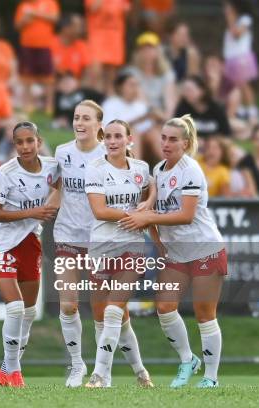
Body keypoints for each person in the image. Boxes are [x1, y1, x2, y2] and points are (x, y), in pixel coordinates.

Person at [120, 114, 227, 388]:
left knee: (205, 314)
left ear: (186, 142)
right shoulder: (158, 170)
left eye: (172, 139)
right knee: (165, 307)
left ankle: (211, 378)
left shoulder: (190, 169)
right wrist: (157, 241)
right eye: (163, 137)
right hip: (176, 252)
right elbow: (153, 208)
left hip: (204, 248)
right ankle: (187, 359)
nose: (166, 143)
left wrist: (147, 219)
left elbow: (186, 215)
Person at [0, 121, 59, 387]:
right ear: (14, 144)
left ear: (39, 141)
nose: (26, 147)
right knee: (15, 307)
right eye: (20, 142)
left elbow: (64, 188)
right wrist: (34, 213)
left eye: (30, 141)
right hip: (2, 245)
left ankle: (5, 369)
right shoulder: (5, 173)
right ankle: (15, 373)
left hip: (30, 242)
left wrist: (51, 207)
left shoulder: (52, 167)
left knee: (28, 313)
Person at [84, 119, 153, 388]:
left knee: (113, 310)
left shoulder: (140, 168)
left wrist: (149, 204)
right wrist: (135, 214)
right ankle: (140, 373)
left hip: (132, 246)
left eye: (117, 136)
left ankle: (99, 375)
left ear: (128, 139)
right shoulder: (95, 169)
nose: (112, 141)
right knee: (110, 317)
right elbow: (100, 211)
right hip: (101, 245)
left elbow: (151, 190)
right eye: (108, 136)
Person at [53, 99, 106, 387]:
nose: (79, 123)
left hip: (99, 240)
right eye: (76, 118)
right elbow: (55, 190)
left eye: (86, 118)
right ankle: (76, 365)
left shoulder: (107, 155)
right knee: (69, 304)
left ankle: (101, 370)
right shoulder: (62, 153)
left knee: (100, 309)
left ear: (99, 124)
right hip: (67, 237)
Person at [14, 0, 60, 113]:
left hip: (45, 45)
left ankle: (49, 106)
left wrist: (35, 14)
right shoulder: (23, 5)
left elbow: (55, 18)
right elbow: (17, 25)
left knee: (48, 77)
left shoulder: (50, 3)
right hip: (27, 45)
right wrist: (24, 20)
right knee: (27, 76)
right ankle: (28, 104)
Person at [101, 72, 158, 161]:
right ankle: (136, 170)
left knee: (154, 132)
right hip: (117, 144)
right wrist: (138, 120)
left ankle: (171, 167)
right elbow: (109, 129)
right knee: (132, 133)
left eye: (137, 85)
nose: (135, 88)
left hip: (144, 145)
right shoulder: (110, 104)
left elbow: (147, 128)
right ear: (120, 87)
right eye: (131, 85)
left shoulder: (140, 106)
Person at [223, 0, 259, 123]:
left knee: (244, 84)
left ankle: (252, 111)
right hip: (231, 58)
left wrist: (230, 18)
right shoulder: (233, 21)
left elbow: (236, 34)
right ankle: (240, 110)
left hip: (241, 57)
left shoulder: (245, 19)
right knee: (235, 85)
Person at [84, 0, 130, 94]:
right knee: (96, 71)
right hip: (97, 34)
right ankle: (95, 96)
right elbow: (93, 8)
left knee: (111, 72)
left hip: (115, 35)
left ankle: (110, 98)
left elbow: (126, 11)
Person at [129, 32, 177, 121]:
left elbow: (170, 102)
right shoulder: (131, 73)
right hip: (140, 116)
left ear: (158, 51)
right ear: (138, 52)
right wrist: (154, 114)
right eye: (143, 49)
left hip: (161, 116)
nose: (147, 52)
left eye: (151, 48)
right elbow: (141, 99)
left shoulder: (167, 74)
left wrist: (166, 119)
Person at [175, 76, 231, 140]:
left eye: (189, 90)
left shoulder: (216, 108)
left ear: (202, 91)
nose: (185, 93)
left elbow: (226, 133)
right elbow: (176, 132)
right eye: (184, 90)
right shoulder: (182, 108)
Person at [51, 13, 90, 81]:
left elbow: (88, 70)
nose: (81, 30)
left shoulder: (82, 46)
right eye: (77, 26)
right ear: (65, 28)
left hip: (74, 84)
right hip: (50, 83)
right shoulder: (49, 44)